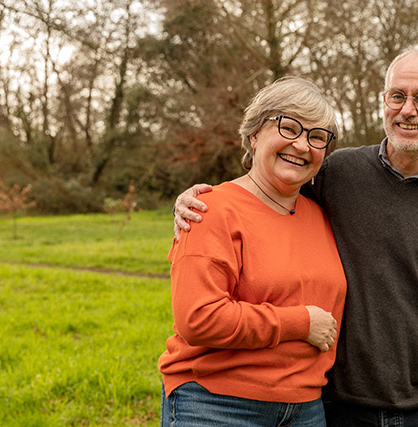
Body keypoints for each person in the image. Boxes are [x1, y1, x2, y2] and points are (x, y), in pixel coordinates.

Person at [173, 49, 418, 426]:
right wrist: (197, 200)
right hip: (335, 406)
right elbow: (268, 193)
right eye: (397, 96)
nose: (407, 110)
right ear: (384, 101)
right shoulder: (339, 173)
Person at [158, 76, 347, 427]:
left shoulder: (323, 215)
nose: (302, 145)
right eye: (289, 127)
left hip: (306, 407)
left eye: (316, 136)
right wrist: (300, 323)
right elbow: (198, 318)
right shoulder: (210, 210)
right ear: (254, 134)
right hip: (217, 405)